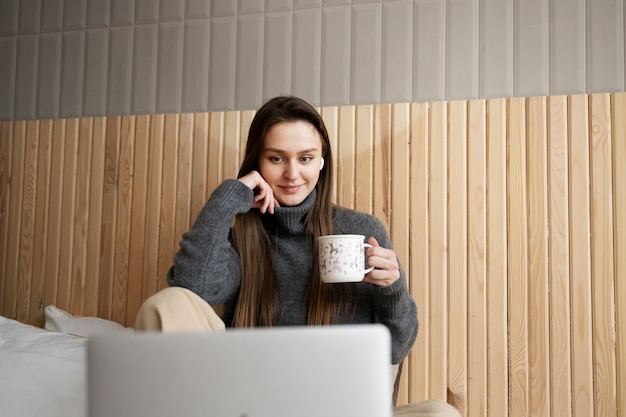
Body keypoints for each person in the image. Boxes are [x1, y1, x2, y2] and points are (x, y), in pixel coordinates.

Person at [135, 95, 460, 417]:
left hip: (341, 408)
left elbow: (396, 348)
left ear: (321, 161)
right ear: (257, 163)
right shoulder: (242, 240)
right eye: (277, 159)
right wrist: (229, 197)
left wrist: (392, 288)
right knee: (167, 303)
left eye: (305, 158)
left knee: (439, 414)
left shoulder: (360, 230)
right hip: (256, 406)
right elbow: (189, 286)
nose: (292, 174)